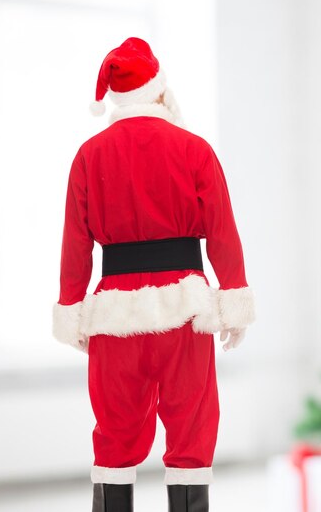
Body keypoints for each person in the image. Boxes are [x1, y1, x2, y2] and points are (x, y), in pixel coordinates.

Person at [52, 37, 256, 512]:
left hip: (113, 311)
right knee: (191, 428)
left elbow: (75, 244)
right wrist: (233, 303)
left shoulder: (89, 154)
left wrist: (73, 312)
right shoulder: (194, 149)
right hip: (185, 308)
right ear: (160, 92)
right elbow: (223, 232)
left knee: (114, 435)